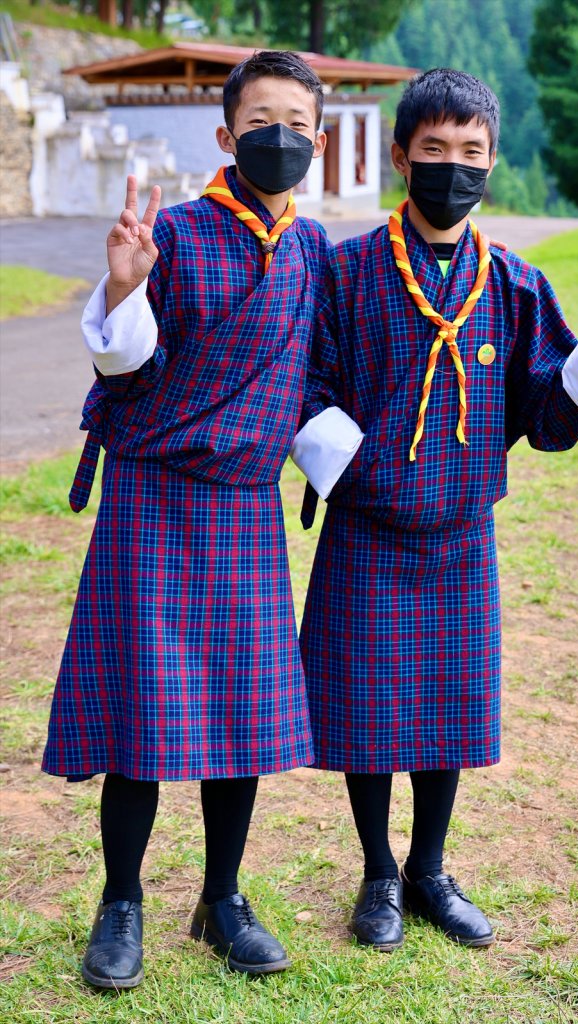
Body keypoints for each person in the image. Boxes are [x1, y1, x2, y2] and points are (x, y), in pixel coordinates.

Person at [291, 68, 578, 952]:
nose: (453, 167)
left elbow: (546, 415)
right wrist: (366, 473)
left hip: (461, 536)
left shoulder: (517, 285)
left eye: (471, 153)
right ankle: (376, 872)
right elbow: (307, 387)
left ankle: (429, 870)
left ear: (490, 162)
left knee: (447, 708)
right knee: (367, 711)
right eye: (435, 151)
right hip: (368, 530)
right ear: (405, 158)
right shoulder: (345, 272)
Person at [42, 50, 328, 986]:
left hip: (244, 503)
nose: (276, 139)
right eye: (259, 123)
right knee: (140, 712)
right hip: (153, 500)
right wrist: (125, 286)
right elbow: (123, 373)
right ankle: (120, 900)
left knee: (239, 716)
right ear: (224, 135)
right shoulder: (173, 232)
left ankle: (222, 898)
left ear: (317, 142)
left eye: (294, 124)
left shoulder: (316, 252)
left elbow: (320, 375)